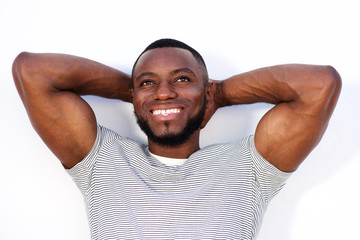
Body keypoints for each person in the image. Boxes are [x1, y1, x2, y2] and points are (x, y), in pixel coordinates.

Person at [12, 39, 341, 239]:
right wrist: (145, 96)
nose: (166, 91)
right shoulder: (102, 160)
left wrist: (220, 93)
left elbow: (319, 84)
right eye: (148, 82)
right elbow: (32, 71)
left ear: (205, 91)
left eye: (182, 79)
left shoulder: (250, 168)